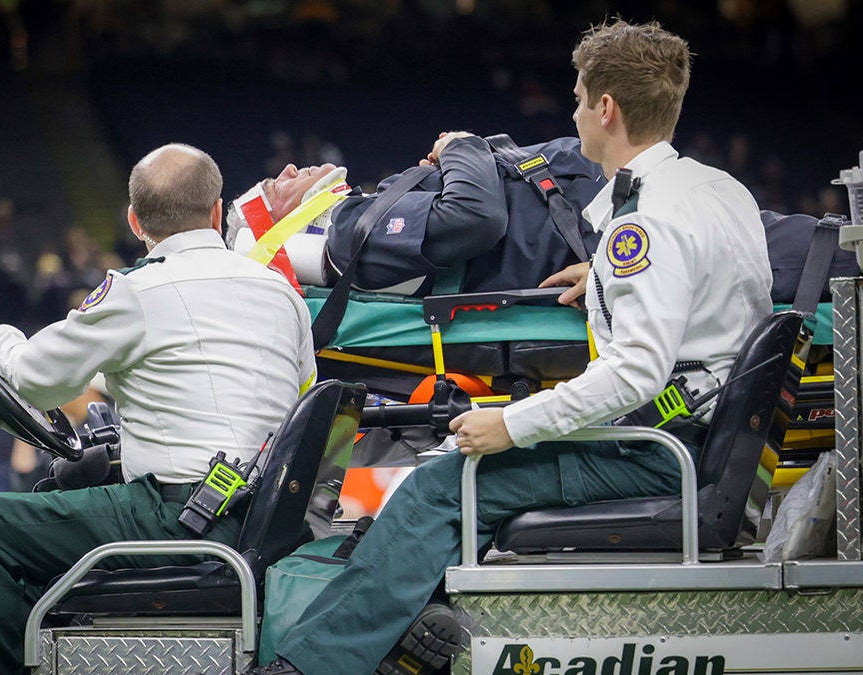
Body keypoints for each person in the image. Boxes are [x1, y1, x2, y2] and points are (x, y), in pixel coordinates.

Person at [250, 19, 773, 675]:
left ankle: (308, 667)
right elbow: (718, 280)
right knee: (449, 474)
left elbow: (635, 370)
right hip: (704, 436)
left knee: (440, 483)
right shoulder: (717, 191)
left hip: (662, 448)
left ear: (605, 109)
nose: (575, 112)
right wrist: (604, 273)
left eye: (580, 98)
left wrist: (509, 423)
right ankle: (410, 631)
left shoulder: (644, 222)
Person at [0, 143, 317, 674]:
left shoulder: (137, 292)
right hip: (263, 518)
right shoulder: (280, 292)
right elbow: (298, 392)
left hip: (177, 515)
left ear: (134, 221)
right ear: (218, 210)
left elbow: (33, 379)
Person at [226, 131, 604, 296]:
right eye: (275, 187)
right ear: (276, 228)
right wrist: (460, 147)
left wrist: (451, 171)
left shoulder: (356, 220)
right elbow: (475, 216)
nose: (289, 170)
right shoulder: (345, 239)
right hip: (589, 209)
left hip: (579, 198)